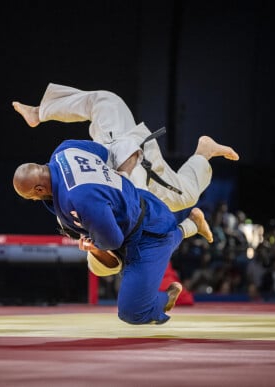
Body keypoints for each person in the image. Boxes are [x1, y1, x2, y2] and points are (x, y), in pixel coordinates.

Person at [13, 139, 213, 325]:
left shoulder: (78, 199)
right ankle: (192, 224)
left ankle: (183, 237)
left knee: (132, 312)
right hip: (136, 204)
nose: (34, 200)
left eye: (31, 197)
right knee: (97, 262)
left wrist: (95, 244)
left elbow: (113, 241)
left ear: (39, 189)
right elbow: (105, 153)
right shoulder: (65, 150)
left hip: (149, 232)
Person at [12, 82, 239, 212]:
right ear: (39, 193)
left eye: (41, 166)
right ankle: (204, 152)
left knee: (106, 101)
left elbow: (95, 151)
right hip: (130, 177)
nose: (46, 167)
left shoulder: (59, 160)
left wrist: (115, 156)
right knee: (186, 196)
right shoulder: (67, 205)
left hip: (115, 150)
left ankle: (39, 112)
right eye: (42, 171)